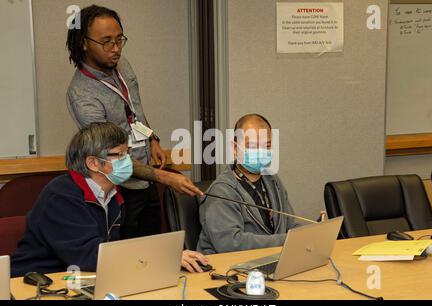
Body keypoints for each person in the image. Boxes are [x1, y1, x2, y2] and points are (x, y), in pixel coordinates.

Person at [11, 123, 208, 277]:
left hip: (78, 279)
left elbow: (112, 251)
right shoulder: (61, 196)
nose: (128, 161)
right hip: (35, 282)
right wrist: (163, 258)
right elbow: (90, 257)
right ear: (93, 163)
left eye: (127, 153)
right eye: (120, 155)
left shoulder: (113, 194)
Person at [66, 5, 182, 238]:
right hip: (118, 187)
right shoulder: (82, 95)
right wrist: (164, 176)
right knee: (126, 256)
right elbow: (109, 157)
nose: (116, 48)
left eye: (119, 39)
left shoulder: (121, 64)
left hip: (145, 179)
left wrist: (152, 139)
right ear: (84, 42)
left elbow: (134, 108)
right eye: (107, 41)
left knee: (152, 248)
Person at [197, 114, 302, 254]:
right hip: (228, 267)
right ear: (235, 149)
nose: (260, 152)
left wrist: (308, 236)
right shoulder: (221, 191)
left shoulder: (273, 180)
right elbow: (231, 243)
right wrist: (287, 240)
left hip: (270, 259)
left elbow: (290, 224)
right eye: (252, 146)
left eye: (267, 146)